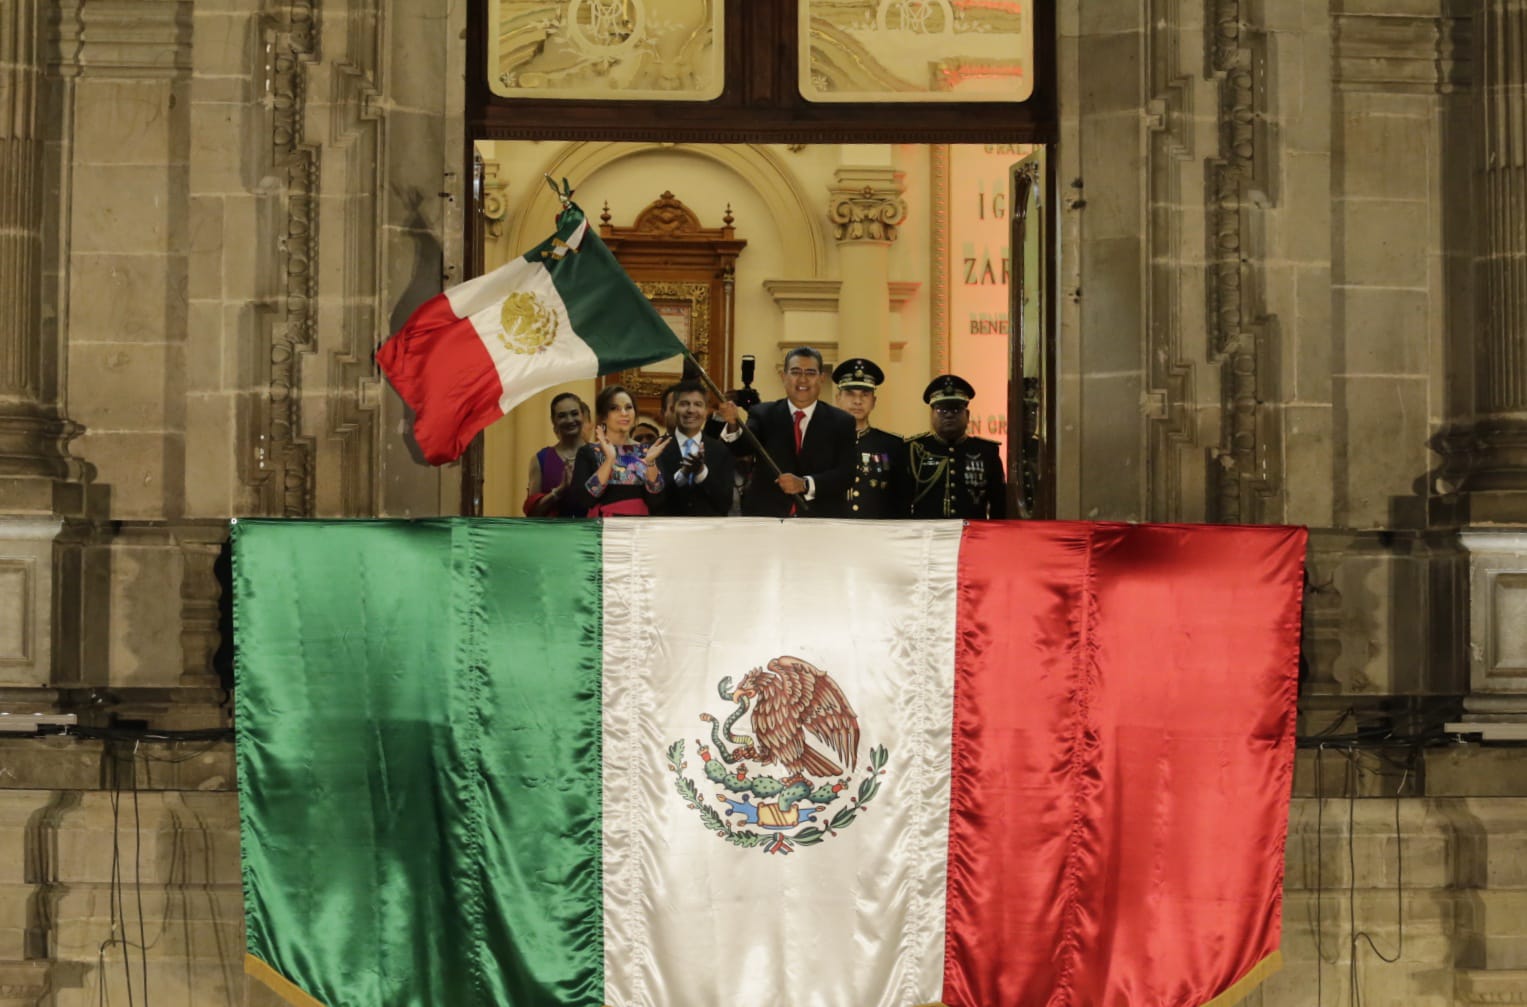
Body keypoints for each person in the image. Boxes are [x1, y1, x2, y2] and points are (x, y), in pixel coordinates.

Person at [719, 347, 856, 518]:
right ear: (783, 376)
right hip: (768, 521)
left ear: (822, 378)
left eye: (811, 373)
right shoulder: (763, 414)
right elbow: (741, 448)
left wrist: (805, 484)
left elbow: (846, 474)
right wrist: (732, 423)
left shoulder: (842, 421)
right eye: (795, 372)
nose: (803, 379)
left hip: (820, 521)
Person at [906, 374, 1007, 520]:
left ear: (967, 414)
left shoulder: (986, 451)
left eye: (955, 410)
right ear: (931, 414)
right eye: (942, 410)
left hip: (972, 537)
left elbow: (999, 505)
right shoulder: (914, 450)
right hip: (926, 537)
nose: (949, 415)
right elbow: (901, 503)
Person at [570, 385, 671, 516]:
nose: (624, 413)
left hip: (640, 528)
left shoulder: (647, 451)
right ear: (603, 416)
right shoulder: (588, 452)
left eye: (629, 407)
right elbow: (583, 500)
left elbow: (657, 502)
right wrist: (609, 460)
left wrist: (650, 464)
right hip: (604, 529)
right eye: (614, 408)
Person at [832, 357, 907, 519]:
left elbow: (900, 501)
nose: (857, 401)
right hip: (833, 534)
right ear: (838, 399)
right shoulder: (822, 441)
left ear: (873, 401)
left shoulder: (891, 445)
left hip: (878, 534)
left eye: (865, 394)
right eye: (850, 394)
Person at [655, 380, 735, 516]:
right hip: (667, 530)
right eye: (684, 404)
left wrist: (701, 472)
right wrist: (683, 475)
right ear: (674, 408)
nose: (691, 410)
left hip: (708, 532)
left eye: (698, 404)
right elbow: (655, 501)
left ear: (706, 411)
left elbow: (725, 503)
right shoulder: (656, 449)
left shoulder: (721, 450)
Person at [522, 392, 589, 517]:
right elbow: (532, 513)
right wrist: (559, 491)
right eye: (562, 416)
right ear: (553, 421)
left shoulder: (599, 455)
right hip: (552, 534)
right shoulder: (541, 459)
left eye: (574, 414)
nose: (570, 420)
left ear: (583, 416)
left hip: (591, 534)